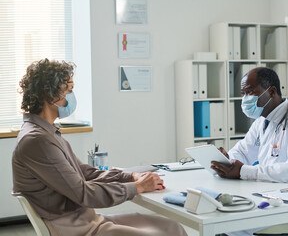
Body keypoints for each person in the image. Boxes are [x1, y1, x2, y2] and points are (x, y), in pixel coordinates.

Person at [12, 59, 187, 236]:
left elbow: (87, 173)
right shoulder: (37, 140)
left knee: (173, 228)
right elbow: (84, 193)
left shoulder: (47, 132)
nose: (73, 96)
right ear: (50, 95)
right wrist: (137, 187)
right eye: (69, 90)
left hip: (89, 220)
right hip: (77, 229)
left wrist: (130, 176)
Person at [211, 67, 288, 235]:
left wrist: (245, 171)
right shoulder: (262, 121)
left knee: (232, 224)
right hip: (275, 194)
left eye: (249, 92)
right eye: (243, 93)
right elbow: (242, 152)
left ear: (271, 92)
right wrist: (226, 160)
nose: (245, 99)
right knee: (223, 217)